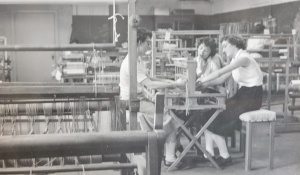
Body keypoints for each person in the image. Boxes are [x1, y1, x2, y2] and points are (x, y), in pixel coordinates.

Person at [119, 27, 185, 167]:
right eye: (147, 43)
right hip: (133, 102)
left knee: (168, 117)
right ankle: (170, 158)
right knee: (170, 120)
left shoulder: (135, 59)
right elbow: (149, 84)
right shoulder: (131, 62)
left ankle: (170, 152)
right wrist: (174, 84)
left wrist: (172, 82)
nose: (149, 46)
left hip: (138, 99)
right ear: (139, 42)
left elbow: (149, 77)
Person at [197, 34, 263, 167]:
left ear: (235, 45)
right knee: (209, 114)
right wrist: (202, 85)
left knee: (214, 116)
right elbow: (221, 80)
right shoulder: (236, 60)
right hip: (243, 95)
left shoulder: (244, 58)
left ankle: (225, 156)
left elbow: (220, 73)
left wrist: (202, 80)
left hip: (252, 97)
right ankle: (209, 153)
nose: (224, 50)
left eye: (226, 46)